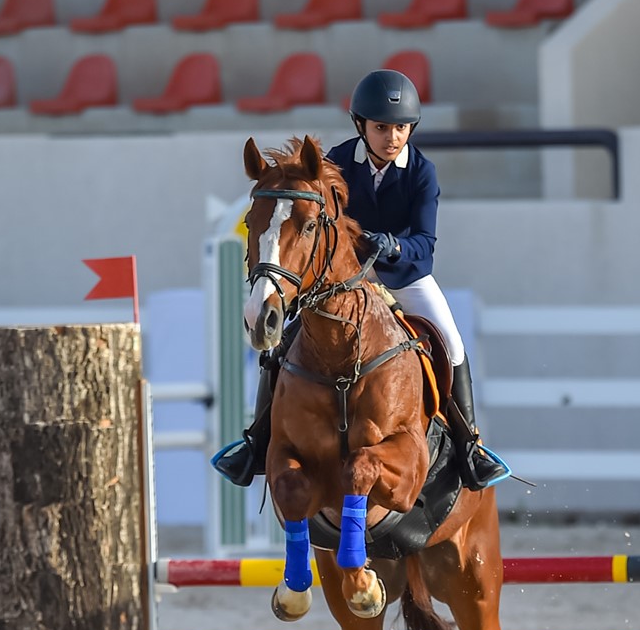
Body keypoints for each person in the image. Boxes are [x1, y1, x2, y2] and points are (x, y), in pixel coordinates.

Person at [213, 69, 509, 490]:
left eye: (401, 128)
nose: (392, 137)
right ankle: (257, 442)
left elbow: (425, 243)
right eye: (382, 128)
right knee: (280, 348)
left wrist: (394, 245)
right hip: (345, 277)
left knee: (452, 343)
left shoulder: (421, 172)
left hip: (404, 275)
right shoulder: (336, 163)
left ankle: (469, 445)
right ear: (361, 126)